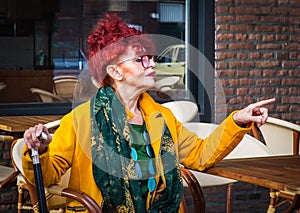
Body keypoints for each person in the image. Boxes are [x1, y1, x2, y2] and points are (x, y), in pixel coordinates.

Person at [22, 13, 275, 213]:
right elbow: (46, 175)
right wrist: (38, 150)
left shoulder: (161, 118)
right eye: (140, 59)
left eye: (151, 57)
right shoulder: (80, 120)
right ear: (116, 72)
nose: (152, 63)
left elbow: (200, 155)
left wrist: (237, 121)